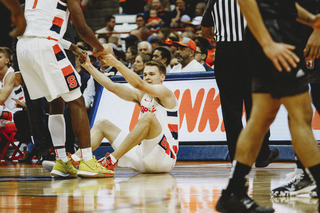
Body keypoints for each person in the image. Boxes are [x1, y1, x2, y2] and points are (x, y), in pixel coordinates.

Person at [215, 1, 320, 212]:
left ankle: (233, 192)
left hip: (277, 31)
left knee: (261, 118)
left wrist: (310, 20)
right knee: (301, 115)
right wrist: (267, 42)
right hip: (273, 34)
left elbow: (280, 3)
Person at [16, 0, 114, 178]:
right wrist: (100, 49)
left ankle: (62, 161)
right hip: (45, 47)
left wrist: (72, 47)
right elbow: (82, 28)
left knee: (55, 101)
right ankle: (87, 160)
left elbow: (40, 29)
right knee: (77, 100)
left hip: (24, 48)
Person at [201, 0, 279, 165]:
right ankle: (261, 154)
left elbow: (206, 31)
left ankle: (238, 156)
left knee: (230, 107)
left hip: (225, 53)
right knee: (257, 103)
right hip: (252, 50)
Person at [75, 56, 179, 173]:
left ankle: (111, 159)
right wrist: (88, 67)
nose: (147, 77)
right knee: (102, 124)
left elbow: (139, 84)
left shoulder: (165, 93)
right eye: (145, 75)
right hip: (142, 156)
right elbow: (112, 87)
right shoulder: (142, 96)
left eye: (151, 74)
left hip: (164, 158)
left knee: (148, 117)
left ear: (162, 77)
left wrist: (116, 63)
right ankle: (74, 159)